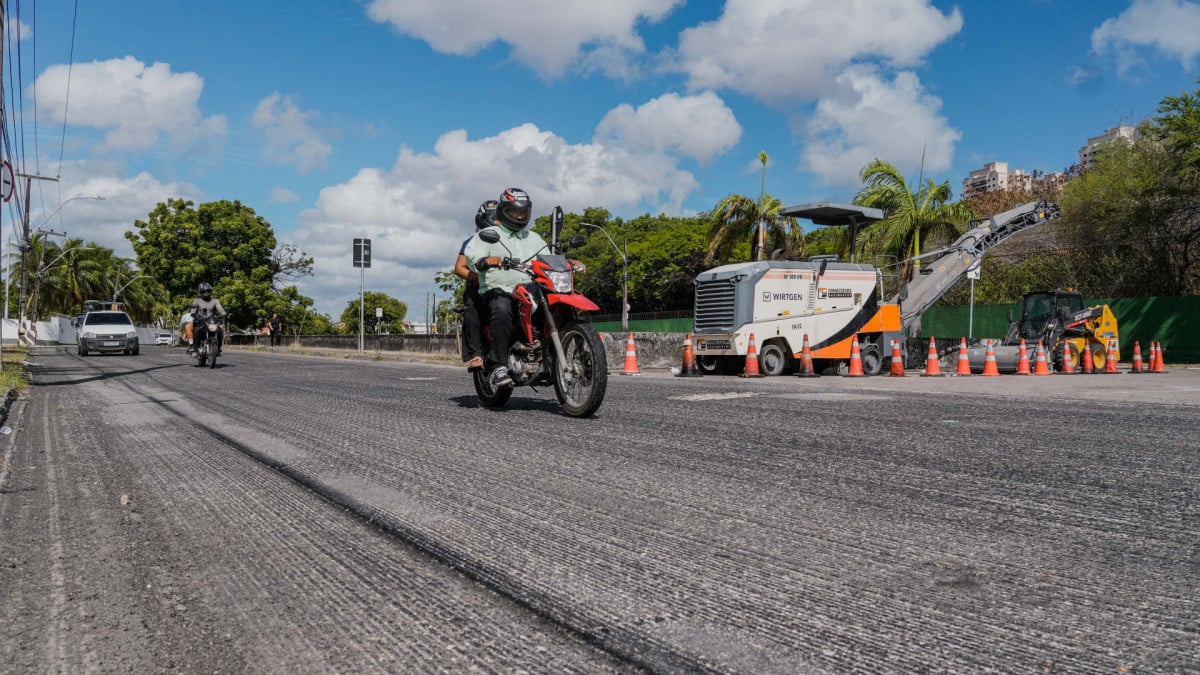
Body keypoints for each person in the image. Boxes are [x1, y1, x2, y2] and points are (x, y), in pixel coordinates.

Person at [463, 188, 548, 388]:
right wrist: (485, 261)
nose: (519, 216)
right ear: (503, 210)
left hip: (529, 289)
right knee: (502, 308)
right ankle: (498, 366)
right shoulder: (489, 234)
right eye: (515, 211)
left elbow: (548, 257)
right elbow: (472, 255)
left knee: (552, 301)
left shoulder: (534, 238)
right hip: (499, 290)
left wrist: (567, 262)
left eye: (523, 212)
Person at [455, 200, 498, 370]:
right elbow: (459, 268)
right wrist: (478, 277)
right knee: (471, 308)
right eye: (495, 217)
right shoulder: (472, 242)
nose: (498, 221)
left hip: (506, 287)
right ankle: (475, 354)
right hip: (479, 288)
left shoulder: (511, 241)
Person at [188, 282, 226, 355]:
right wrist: (195, 315)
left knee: (220, 330)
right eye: (204, 291)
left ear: (210, 291)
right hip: (200, 321)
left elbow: (221, 310)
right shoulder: (197, 301)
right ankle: (195, 350)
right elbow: (193, 311)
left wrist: (224, 314)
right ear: (200, 292)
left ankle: (218, 348)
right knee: (196, 330)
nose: (206, 293)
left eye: (208, 291)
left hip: (212, 321)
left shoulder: (215, 301)